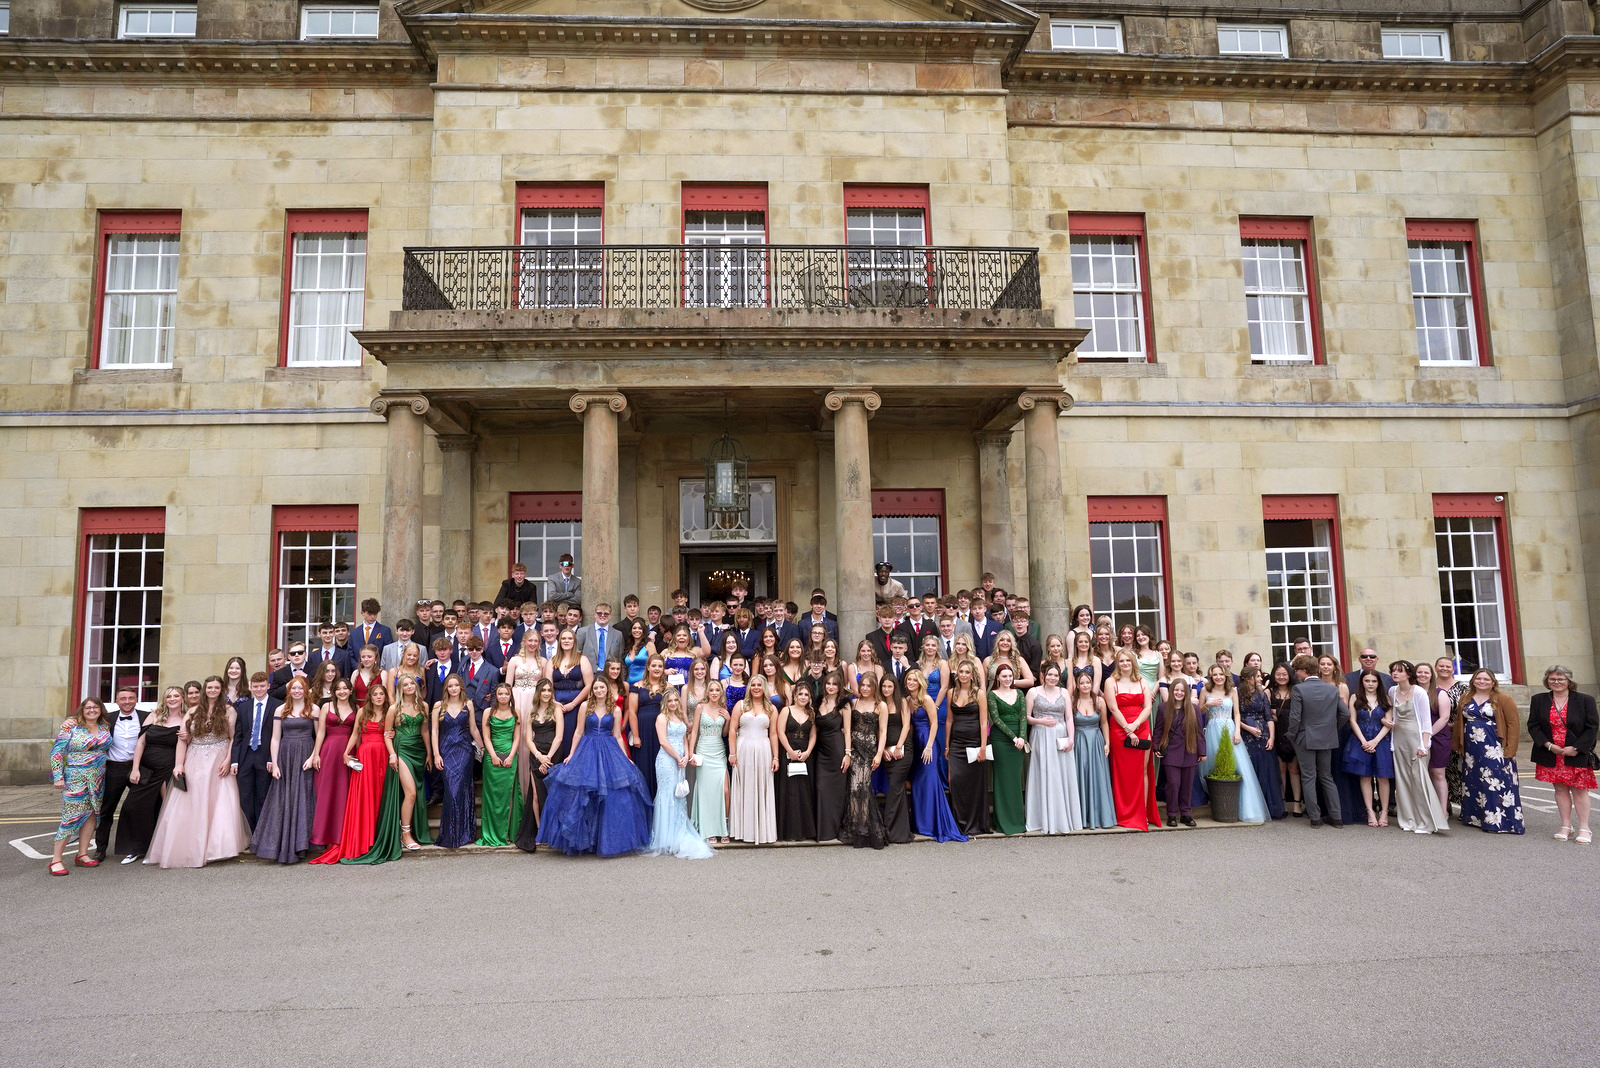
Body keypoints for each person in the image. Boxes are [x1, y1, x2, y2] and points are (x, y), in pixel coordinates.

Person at [537, 678, 652, 856]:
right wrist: (571, 754)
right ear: (592, 690)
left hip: (609, 750)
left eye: (602, 687)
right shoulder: (584, 707)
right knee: (585, 794)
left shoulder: (615, 709)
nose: (599, 690)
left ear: (607, 689)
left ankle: (604, 840)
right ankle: (586, 841)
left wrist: (625, 757)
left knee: (611, 795)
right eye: (596, 688)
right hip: (587, 749)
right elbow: (578, 732)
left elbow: (618, 736)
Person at [144, 687, 251, 869]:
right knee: (192, 800)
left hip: (219, 757)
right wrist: (179, 764)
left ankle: (217, 848)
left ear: (221, 690)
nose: (213, 690)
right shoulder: (192, 712)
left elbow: (234, 737)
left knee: (220, 801)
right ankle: (189, 847)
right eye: (209, 687)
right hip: (195, 758)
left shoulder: (229, 710)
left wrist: (228, 760)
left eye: (217, 687)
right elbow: (182, 739)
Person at [311, 682, 396, 864]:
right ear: (370, 697)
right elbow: (355, 734)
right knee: (365, 798)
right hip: (365, 755)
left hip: (382, 755)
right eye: (375, 694)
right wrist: (347, 753)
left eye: (382, 694)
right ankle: (364, 839)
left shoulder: (390, 712)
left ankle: (378, 838)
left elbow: (391, 732)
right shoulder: (362, 711)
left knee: (380, 796)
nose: (379, 697)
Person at [250, 676, 319, 863]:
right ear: (289, 691)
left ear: (306, 690)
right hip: (285, 755)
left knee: (303, 797)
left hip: (305, 753)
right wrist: (275, 763)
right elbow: (275, 738)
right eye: (294, 688)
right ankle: (281, 844)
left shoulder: (313, 709)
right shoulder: (281, 709)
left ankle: (302, 845)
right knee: (283, 798)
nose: (297, 691)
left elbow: (320, 735)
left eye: (300, 688)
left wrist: (313, 756)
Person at [1527, 665, 1596, 844]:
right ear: (1547, 681)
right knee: (1560, 789)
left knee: (1579, 790)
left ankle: (1584, 828)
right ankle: (1566, 826)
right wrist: (1549, 745)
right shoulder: (1539, 700)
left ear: (1569, 681)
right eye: (1552, 679)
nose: (1556, 682)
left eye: (1561, 679)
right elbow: (1533, 725)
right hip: (1552, 753)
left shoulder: (1585, 700)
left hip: (1575, 753)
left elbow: (1592, 728)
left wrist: (1577, 748)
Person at [115, 686, 184, 863]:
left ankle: (164, 850)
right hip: (146, 770)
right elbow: (140, 744)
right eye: (169, 696)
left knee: (165, 810)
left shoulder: (187, 718)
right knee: (132, 806)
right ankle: (135, 848)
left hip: (169, 770)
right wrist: (136, 768)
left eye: (176, 696)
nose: (172, 699)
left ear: (182, 698)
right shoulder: (154, 715)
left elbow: (187, 745)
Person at [1453, 669, 1523, 835]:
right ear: (1473, 681)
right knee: (1474, 781)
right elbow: (1458, 721)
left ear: (1493, 682)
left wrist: (1510, 750)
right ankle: (1474, 817)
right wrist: (1457, 744)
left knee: (1494, 781)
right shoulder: (1466, 697)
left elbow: (1513, 724)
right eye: (1479, 678)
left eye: (1486, 679)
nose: (1482, 681)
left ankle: (1498, 821)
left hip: (1494, 747)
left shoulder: (1503, 699)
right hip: (1472, 749)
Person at [646, 691, 714, 859]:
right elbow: (663, 741)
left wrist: (686, 755)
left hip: (680, 760)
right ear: (665, 702)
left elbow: (684, 738)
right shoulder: (662, 718)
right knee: (666, 794)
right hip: (666, 760)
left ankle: (677, 831)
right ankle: (665, 836)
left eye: (676, 700)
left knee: (678, 795)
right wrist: (677, 757)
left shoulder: (679, 717)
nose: (674, 703)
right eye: (670, 700)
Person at [1196, 664, 1267, 824]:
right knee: (1212, 763)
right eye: (1215, 674)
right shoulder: (1205, 690)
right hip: (1213, 728)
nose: (1218, 677)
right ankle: (1216, 801)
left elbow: (1237, 713)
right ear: (1211, 676)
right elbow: (1199, 711)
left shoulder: (1232, 691)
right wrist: (1208, 705)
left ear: (1225, 675)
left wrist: (1237, 732)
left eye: (1221, 674)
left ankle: (1244, 807)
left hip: (1229, 728)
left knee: (1237, 765)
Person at [48, 698, 112, 876]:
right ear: (82, 710)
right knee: (71, 816)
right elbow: (57, 752)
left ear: (101, 709)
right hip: (76, 777)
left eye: (95, 707)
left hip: (98, 777)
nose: (92, 710)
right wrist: (58, 776)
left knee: (92, 813)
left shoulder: (105, 727)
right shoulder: (71, 727)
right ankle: (56, 860)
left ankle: (82, 854)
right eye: (88, 707)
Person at [1285, 654, 1345, 828]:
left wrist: (1291, 735)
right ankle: (1337, 817)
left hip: (1304, 738)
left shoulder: (1299, 689)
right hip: (1327, 737)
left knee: (1309, 777)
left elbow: (1295, 717)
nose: (1296, 674)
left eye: (1297, 670)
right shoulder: (1332, 689)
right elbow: (1345, 714)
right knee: (1327, 777)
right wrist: (1332, 729)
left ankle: (1315, 818)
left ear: (1303, 671)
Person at [1388, 660, 1447, 835]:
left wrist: (1424, 745)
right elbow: (1393, 716)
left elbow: (1426, 722)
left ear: (1408, 674)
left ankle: (1426, 822)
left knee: (1419, 779)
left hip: (1416, 738)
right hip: (1399, 738)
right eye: (1393, 671)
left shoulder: (1419, 692)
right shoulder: (1392, 691)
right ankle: (1408, 819)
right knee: (1403, 780)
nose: (1395, 674)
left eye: (1399, 671)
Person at [1104, 649, 1158, 831]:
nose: (1125, 663)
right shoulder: (1111, 682)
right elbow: (1112, 707)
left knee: (1142, 771)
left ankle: (1142, 811)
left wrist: (1135, 726)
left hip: (1141, 727)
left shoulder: (1142, 681)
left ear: (1133, 663)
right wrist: (1128, 729)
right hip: (1120, 729)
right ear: (1117, 663)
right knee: (1122, 772)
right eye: (1122, 661)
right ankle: (1123, 813)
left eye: (1128, 660)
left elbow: (1148, 707)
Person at [89, 686, 145, 862]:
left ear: (136, 699)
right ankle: (101, 849)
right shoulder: (106, 719)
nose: (127, 701)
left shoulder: (147, 716)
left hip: (138, 768)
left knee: (140, 808)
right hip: (114, 768)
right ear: (116, 701)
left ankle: (141, 846)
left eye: (131, 698)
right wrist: (68, 723)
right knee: (106, 810)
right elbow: (84, 721)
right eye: (123, 698)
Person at [1025, 661, 1082, 834]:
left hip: (1060, 736)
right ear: (1043, 675)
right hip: (1041, 735)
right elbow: (1026, 717)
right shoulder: (1033, 692)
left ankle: (1062, 818)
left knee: (1061, 775)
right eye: (1049, 674)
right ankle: (1042, 818)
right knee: (1043, 773)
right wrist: (1040, 721)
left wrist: (1071, 739)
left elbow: (1070, 718)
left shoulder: (1064, 692)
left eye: (1056, 675)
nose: (1052, 678)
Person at [431, 672, 481, 849]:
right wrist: (436, 754)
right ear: (446, 688)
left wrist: (482, 748)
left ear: (461, 687)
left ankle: (464, 833)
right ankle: (450, 833)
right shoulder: (439, 706)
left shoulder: (468, 704)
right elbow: (434, 732)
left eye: (456, 685)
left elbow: (474, 729)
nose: (453, 689)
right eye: (449, 686)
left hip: (464, 750)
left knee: (461, 789)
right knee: (451, 790)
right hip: (446, 751)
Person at [514, 678, 564, 853]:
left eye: (549, 690)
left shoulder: (557, 709)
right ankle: (540, 831)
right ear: (538, 692)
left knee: (553, 795)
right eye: (543, 690)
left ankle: (553, 831)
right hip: (536, 755)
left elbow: (559, 736)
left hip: (553, 755)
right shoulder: (531, 712)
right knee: (536, 795)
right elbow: (528, 738)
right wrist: (538, 756)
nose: (546, 693)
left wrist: (548, 758)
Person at [728, 675, 778, 844]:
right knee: (745, 787)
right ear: (749, 687)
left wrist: (776, 756)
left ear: (764, 687)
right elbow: (732, 730)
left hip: (763, 750)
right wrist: (732, 753)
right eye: (753, 685)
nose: (756, 688)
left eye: (759, 685)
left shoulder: (771, 708)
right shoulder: (740, 705)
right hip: (744, 749)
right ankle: (744, 831)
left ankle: (762, 831)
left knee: (761, 787)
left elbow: (774, 734)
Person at [1342, 669, 1395, 827]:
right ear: (1362, 682)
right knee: (1364, 776)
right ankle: (1370, 810)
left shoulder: (1385, 698)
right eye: (1367, 681)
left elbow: (1389, 722)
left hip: (1381, 740)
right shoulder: (1355, 697)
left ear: (1378, 683)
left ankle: (1384, 811)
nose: (1370, 684)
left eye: (1374, 681)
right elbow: (1353, 721)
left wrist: (1375, 741)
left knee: (1382, 777)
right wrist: (1365, 741)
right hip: (1361, 740)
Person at [310, 677, 358, 848]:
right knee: (326, 793)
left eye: (345, 688)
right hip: (329, 751)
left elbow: (356, 734)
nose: (342, 691)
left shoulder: (356, 708)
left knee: (344, 793)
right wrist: (316, 754)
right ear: (334, 691)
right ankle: (323, 836)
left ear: (351, 691)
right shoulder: (326, 707)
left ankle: (341, 835)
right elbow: (321, 732)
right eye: (338, 689)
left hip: (348, 753)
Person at [474, 683, 523, 847]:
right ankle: (492, 833)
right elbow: (486, 737)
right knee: (492, 795)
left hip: (510, 755)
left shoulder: (516, 713)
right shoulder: (489, 712)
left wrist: (510, 756)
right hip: (492, 757)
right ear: (496, 695)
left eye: (506, 694)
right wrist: (493, 755)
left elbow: (517, 738)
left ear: (511, 696)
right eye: (500, 694)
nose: (503, 696)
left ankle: (509, 832)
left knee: (508, 794)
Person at [842, 671, 887, 849]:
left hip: (869, 748)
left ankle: (864, 827)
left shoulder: (880, 705)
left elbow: (882, 731)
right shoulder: (853, 703)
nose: (866, 688)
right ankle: (855, 827)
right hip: (854, 748)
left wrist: (879, 754)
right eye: (863, 685)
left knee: (864, 788)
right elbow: (846, 728)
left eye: (869, 685)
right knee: (853, 788)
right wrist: (847, 750)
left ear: (874, 686)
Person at [386, 673, 430, 849]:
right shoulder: (394, 708)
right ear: (400, 688)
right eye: (405, 684)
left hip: (418, 750)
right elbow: (387, 734)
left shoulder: (423, 706)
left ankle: (411, 829)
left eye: (411, 683)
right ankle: (405, 834)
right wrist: (392, 754)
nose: (409, 686)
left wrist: (429, 753)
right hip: (401, 749)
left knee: (416, 793)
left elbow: (425, 731)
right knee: (410, 792)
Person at [230, 671, 279, 830]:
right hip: (246, 755)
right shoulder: (243, 707)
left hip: (265, 755)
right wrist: (234, 760)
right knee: (245, 795)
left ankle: (261, 832)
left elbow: (278, 735)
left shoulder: (277, 705)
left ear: (268, 686)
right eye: (256, 686)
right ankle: (248, 832)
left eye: (262, 686)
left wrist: (273, 758)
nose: (259, 689)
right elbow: (238, 736)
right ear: (250, 687)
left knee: (262, 794)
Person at [1155, 678, 1205, 827]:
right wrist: (1156, 747)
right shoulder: (1163, 708)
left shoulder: (1194, 709)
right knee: (1173, 784)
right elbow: (1158, 730)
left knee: (1187, 785)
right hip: (1171, 752)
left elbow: (1199, 733)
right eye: (1176, 690)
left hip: (1190, 750)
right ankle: (1171, 814)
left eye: (1182, 690)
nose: (1179, 693)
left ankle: (1186, 814)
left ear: (1187, 693)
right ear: (1171, 691)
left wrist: (1202, 752)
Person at [1237, 667, 1286, 820]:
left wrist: (1271, 737)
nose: (1260, 679)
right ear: (1247, 678)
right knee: (1251, 769)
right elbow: (1235, 716)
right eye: (1257, 676)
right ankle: (1253, 809)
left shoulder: (1262, 694)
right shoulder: (1237, 693)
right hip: (1246, 733)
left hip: (1263, 733)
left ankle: (1272, 808)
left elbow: (1268, 717)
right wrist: (1248, 729)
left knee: (1268, 770)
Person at [1070, 668, 1116, 829]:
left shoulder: (1099, 701)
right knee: (1080, 777)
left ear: (1092, 684)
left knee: (1097, 777)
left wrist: (1107, 743)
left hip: (1096, 741)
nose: (1085, 685)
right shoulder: (1072, 701)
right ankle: (1081, 817)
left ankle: (1100, 816)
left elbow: (1104, 722)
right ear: (1076, 685)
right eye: (1081, 683)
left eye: (1088, 682)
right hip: (1079, 742)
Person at [987, 663, 1028, 835]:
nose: (1007, 679)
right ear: (997, 677)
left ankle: (1017, 821)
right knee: (1002, 780)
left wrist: (1022, 738)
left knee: (1015, 780)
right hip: (1001, 740)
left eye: (1010, 676)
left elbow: (1023, 717)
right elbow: (995, 719)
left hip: (1018, 741)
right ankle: (1002, 822)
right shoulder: (992, 694)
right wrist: (1013, 737)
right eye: (1004, 676)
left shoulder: (1019, 693)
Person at [688, 679, 731, 843]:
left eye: (717, 690)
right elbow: (694, 732)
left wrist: (727, 719)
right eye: (711, 690)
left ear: (721, 693)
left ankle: (724, 826)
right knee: (706, 793)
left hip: (719, 752)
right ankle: (709, 830)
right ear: (708, 692)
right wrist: (692, 753)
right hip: (704, 751)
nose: (714, 693)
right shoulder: (700, 707)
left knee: (724, 791)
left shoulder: (723, 710)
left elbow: (725, 734)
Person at [774, 682, 818, 842]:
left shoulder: (811, 712)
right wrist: (789, 751)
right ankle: (788, 831)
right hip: (788, 752)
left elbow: (813, 735)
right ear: (794, 696)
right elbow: (780, 731)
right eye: (800, 694)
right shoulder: (787, 710)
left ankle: (804, 831)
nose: (803, 697)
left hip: (805, 755)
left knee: (803, 791)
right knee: (789, 792)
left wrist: (808, 752)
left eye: (806, 695)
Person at [876, 670, 914, 843]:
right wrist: (882, 750)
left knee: (895, 787)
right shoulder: (878, 704)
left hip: (903, 750)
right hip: (887, 752)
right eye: (883, 686)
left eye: (889, 686)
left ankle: (888, 828)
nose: (886, 689)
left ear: (895, 687)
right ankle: (901, 832)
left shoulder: (903, 702)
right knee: (896, 789)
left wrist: (898, 746)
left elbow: (906, 726)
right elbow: (878, 730)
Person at [627, 655, 669, 799]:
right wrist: (636, 735)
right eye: (654, 666)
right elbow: (632, 712)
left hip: (661, 733)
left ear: (663, 669)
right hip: (643, 731)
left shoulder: (668, 688)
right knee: (644, 768)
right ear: (648, 667)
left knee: (660, 768)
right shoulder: (637, 687)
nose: (657, 669)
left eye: (660, 666)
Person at [548, 628, 593, 764]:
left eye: (569, 638)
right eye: (563, 638)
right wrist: (554, 703)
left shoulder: (582, 659)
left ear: (574, 641)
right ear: (559, 641)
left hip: (576, 707)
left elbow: (589, 685)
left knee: (573, 737)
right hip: (556, 707)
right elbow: (547, 686)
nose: (566, 641)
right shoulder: (553, 661)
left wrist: (573, 704)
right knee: (557, 738)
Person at [1268, 662, 1302, 817]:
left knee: (1294, 769)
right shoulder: (1269, 692)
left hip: (1293, 735)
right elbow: (1267, 715)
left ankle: (1296, 803)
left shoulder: (1296, 691)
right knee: (1280, 769)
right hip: (1277, 734)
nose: (1281, 677)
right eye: (1278, 674)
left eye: (1284, 674)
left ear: (1290, 675)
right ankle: (1281, 801)